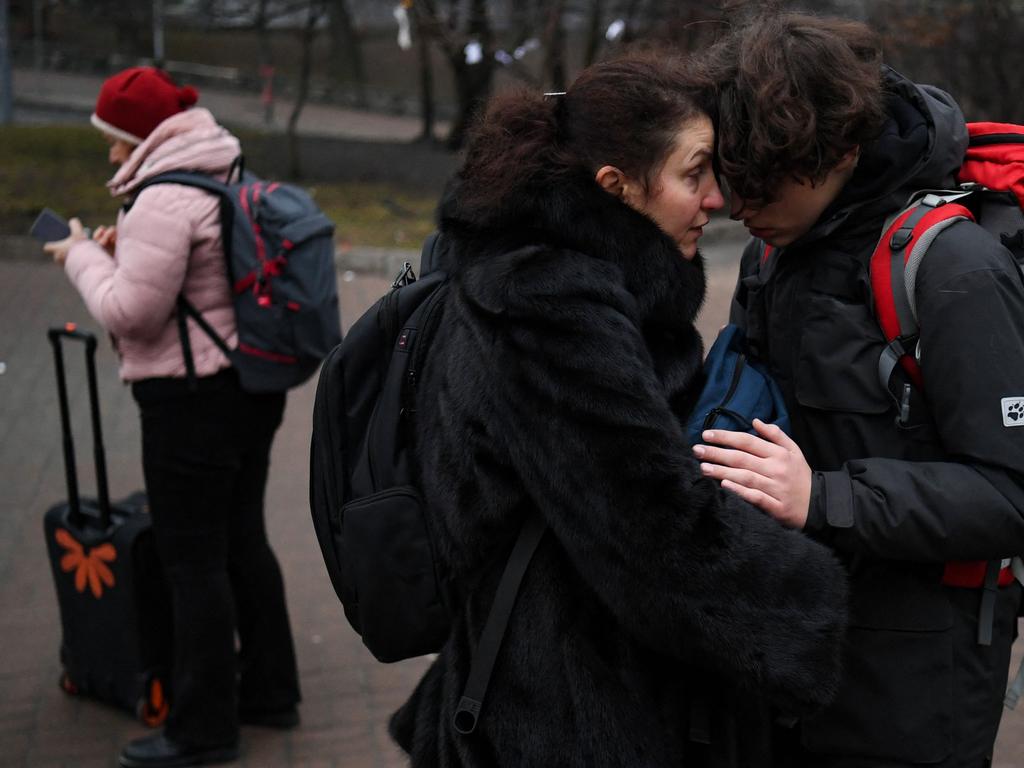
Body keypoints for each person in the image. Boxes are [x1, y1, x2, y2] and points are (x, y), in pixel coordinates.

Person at [387, 53, 849, 767]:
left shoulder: (545, 268)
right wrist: (809, 601)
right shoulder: (550, 304)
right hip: (567, 711)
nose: (715, 198)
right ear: (619, 187)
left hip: (552, 676)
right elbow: (649, 527)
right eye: (693, 173)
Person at [693, 13, 1024, 768]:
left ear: (839, 150)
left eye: (758, 183)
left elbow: (1013, 493)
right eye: (729, 178)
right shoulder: (773, 255)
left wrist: (827, 499)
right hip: (792, 652)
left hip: (914, 680)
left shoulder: (953, 268)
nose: (737, 206)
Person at [43, 67, 301, 768]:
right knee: (242, 538)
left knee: (194, 565)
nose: (110, 157)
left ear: (141, 137)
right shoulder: (219, 163)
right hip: (249, 384)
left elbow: (131, 312)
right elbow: (200, 273)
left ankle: (203, 728)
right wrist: (120, 252)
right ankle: (273, 690)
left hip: (190, 402)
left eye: (115, 143)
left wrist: (79, 259)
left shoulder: (161, 199)